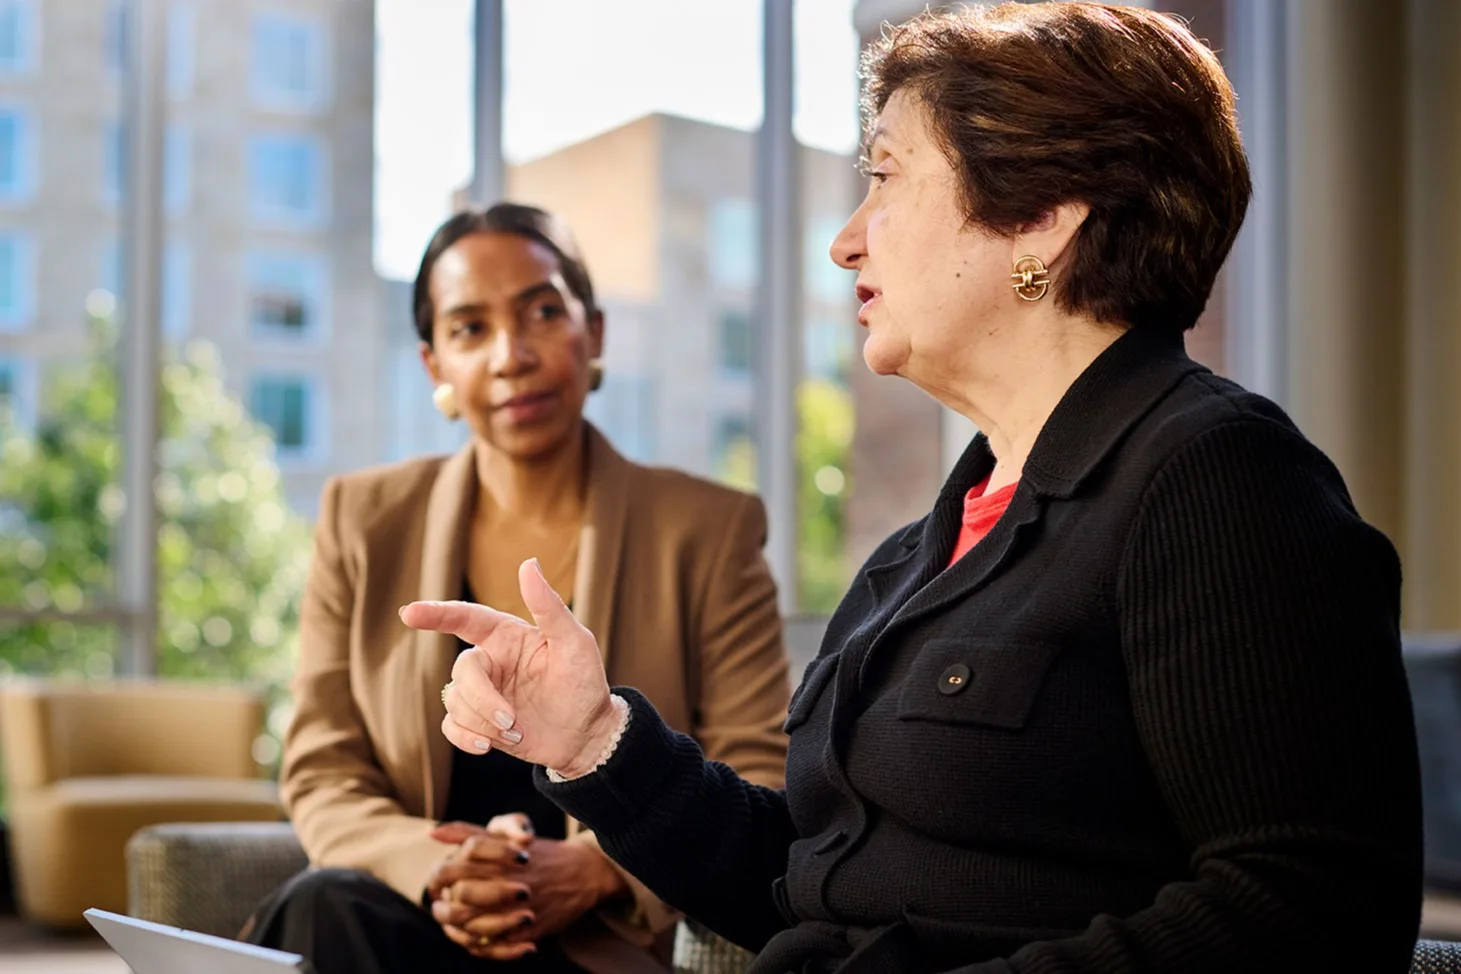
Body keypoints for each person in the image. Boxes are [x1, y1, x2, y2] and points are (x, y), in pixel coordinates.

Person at [406, 5, 1424, 973]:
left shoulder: (1218, 479)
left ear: (1041, 218)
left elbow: (1310, 909)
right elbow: (810, 886)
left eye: (885, 177)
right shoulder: (915, 556)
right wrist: (595, 741)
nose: (845, 239)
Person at [243, 203, 792, 974]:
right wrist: (440, 867)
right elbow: (323, 766)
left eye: (542, 312)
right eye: (470, 328)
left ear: (593, 331)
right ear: (434, 364)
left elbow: (758, 764)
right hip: (406, 927)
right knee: (321, 905)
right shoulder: (362, 519)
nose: (511, 356)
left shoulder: (708, 528)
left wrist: (601, 866)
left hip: (601, 948)